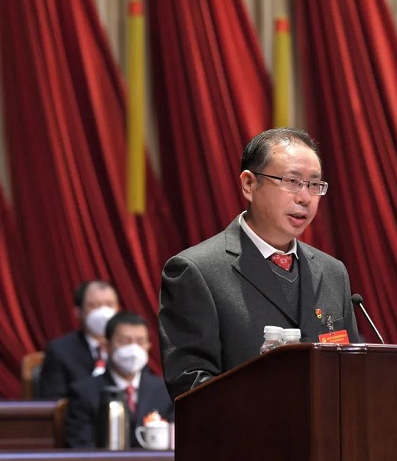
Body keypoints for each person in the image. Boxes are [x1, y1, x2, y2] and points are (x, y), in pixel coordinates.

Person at [159, 128, 361, 399]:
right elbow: (192, 386)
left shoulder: (333, 272)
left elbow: (351, 371)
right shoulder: (197, 270)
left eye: (314, 185)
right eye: (292, 181)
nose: (304, 198)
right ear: (249, 184)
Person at [65, 311, 173, 448]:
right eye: (125, 341)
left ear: (148, 347)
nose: (133, 349)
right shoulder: (84, 392)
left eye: (140, 342)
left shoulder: (165, 390)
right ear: (106, 346)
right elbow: (81, 446)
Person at [39, 280, 120, 399]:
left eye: (109, 305)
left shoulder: (129, 346)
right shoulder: (60, 351)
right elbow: (53, 401)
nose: (103, 312)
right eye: (94, 305)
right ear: (78, 312)